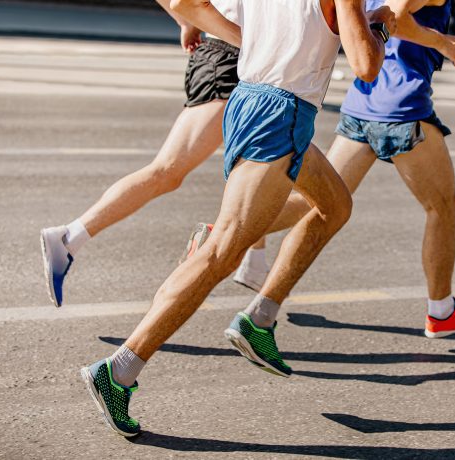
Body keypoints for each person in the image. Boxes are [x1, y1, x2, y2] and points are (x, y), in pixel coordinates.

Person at [78, 0, 396, 438]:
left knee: (335, 205)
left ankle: (259, 318)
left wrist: (224, 33)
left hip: (250, 100)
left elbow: (186, 4)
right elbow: (364, 65)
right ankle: (117, 371)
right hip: (282, 114)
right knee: (218, 257)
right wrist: (379, 26)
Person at [218, 0, 455, 339]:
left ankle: (225, 245)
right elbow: (398, 15)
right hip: (401, 109)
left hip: (363, 104)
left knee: (317, 204)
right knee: (443, 205)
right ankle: (441, 310)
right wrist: (441, 41)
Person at [39, 0, 244, 308]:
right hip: (229, 60)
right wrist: (191, 19)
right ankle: (69, 237)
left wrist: (187, 21)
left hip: (227, 59)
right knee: (168, 171)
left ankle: (256, 273)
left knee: (256, 165)